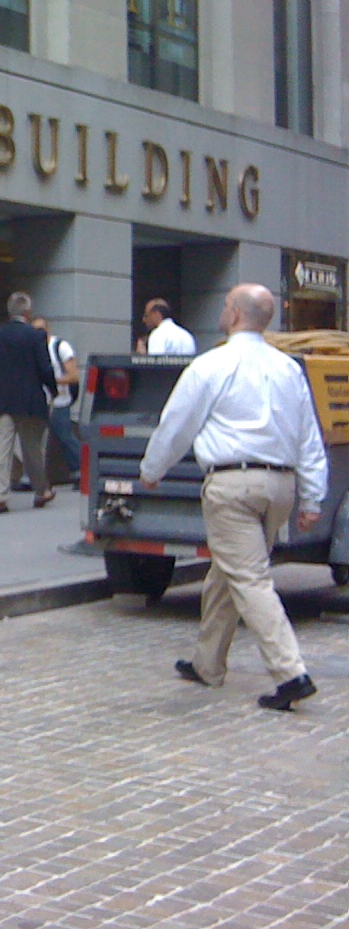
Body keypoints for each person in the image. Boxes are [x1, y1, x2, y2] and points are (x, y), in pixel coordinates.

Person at [139, 283, 326, 711]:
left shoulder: (211, 365)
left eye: (225, 306)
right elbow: (309, 438)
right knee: (229, 572)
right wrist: (312, 499)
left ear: (237, 315)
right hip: (280, 487)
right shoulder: (289, 369)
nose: (222, 312)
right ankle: (207, 663)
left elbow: (176, 424)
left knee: (249, 578)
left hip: (232, 485)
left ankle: (290, 673)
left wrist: (152, 471)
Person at [0, 291, 57, 514]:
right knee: (32, 449)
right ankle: (42, 491)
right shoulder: (35, 336)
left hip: (0, 401)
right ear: (27, 312)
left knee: (1, 447)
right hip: (29, 401)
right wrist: (53, 391)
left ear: (9, 311)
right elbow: (45, 368)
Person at [31, 316, 81, 485]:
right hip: (40, 400)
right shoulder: (33, 349)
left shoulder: (60, 347)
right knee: (34, 439)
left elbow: (73, 376)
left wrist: (53, 381)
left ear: (48, 329)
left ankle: (80, 469)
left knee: (65, 437)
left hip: (59, 400)